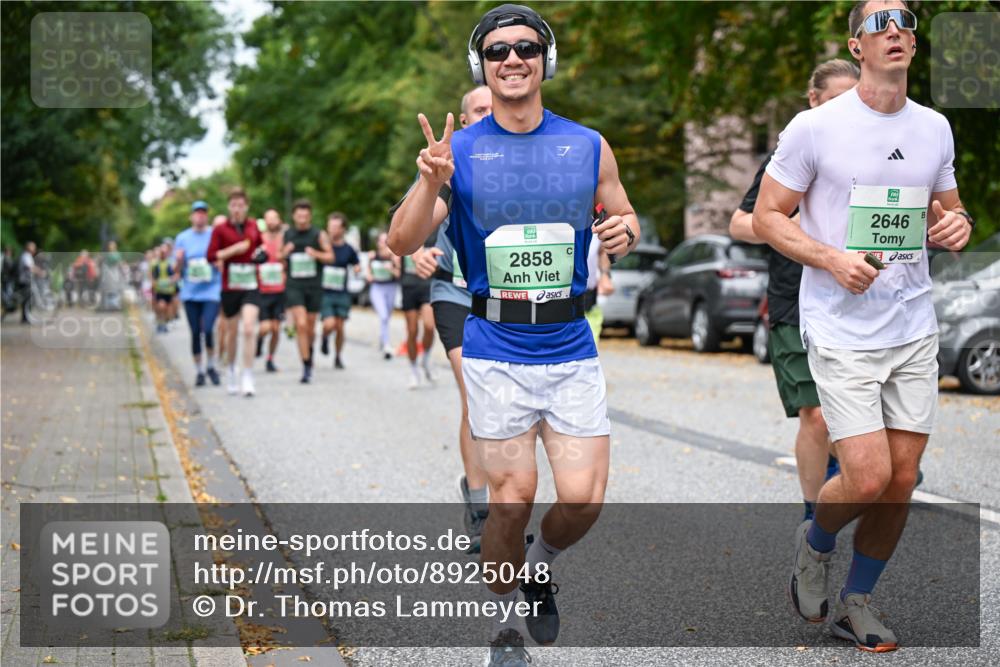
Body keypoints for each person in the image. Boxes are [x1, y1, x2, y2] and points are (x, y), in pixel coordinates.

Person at [389, 5, 639, 662]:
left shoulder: (587, 144)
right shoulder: (459, 152)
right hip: (496, 348)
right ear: (483, 67)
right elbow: (400, 239)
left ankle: (539, 563)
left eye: (526, 47)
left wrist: (624, 232)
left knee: (582, 500)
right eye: (498, 51)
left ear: (544, 61)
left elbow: (624, 216)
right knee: (512, 498)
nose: (513, 59)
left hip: (570, 345)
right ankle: (503, 629)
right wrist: (427, 183)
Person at [753, 0, 974, 652]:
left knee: (903, 479)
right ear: (856, 47)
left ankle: (858, 599)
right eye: (880, 22)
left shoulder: (934, 126)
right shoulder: (814, 128)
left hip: (912, 322)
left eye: (906, 19)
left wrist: (954, 226)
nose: (897, 30)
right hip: (842, 327)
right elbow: (769, 215)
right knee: (870, 475)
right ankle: (815, 540)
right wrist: (831, 257)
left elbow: (949, 210)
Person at [730, 59, 858, 527]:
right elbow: (740, 222)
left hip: (857, 305)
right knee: (818, 416)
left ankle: (859, 467)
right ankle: (812, 519)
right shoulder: (790, 153)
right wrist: (791, 227)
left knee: (854, 420)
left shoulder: (876, 154)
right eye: (836, 101)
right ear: (814, 101)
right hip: (793, 301)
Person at [412, 84, 493, 550]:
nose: (486, 115)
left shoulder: (520, 157)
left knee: (500, 401)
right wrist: (419, 254)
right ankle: (482, 504)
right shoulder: (445, 160)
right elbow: (407, 227)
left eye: (491, 108)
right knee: (474, 389)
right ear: (464, 121)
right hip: (454, 292)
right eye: (477, 110)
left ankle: (497, 495)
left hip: (506, 299)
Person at [207, 189, 264, 397]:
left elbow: (260, 248)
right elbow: (211, 256)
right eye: (234, 205)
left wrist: (261, 255)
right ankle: (231, 369)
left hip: (250, 283)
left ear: (246, 206)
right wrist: (234, 250)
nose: (237, 209)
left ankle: (247, 375)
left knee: (249, 328)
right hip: (230, 287)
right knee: (231, 333)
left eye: (241, 205)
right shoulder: (220, 230)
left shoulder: (253, 226)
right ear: (229, 207)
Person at [282, 199, 334, 384]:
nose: (302, 218)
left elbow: (330, 256)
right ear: (294, 216)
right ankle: (305, 366)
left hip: (314, 286)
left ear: (309, 216)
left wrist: (316, 254)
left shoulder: (319, 234)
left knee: (310, 327)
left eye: (305, 215)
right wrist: (284, 253)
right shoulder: (287, 234)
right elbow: (278, 258)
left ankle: (308, 353)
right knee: (301, 324)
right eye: (299, 214)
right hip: (294, 285)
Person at [174, 200, 223, 386]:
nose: (200, 216)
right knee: (195, 332)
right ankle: (200, 371)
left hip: (211, 291)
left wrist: (219, 263)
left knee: (208, 328)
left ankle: (211, 365)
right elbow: (176, 269)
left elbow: (222, 259)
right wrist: (178, 261)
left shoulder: (214, 235)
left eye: (203, 212)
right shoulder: (182, 238)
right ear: (191, 216)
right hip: (190, 293)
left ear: (207, 216)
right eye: (197, 213)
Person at [319, 212, 361, 369]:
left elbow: (356, 263)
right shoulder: (323, 246)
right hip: (325, 292)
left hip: (341, 292)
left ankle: (337, 356)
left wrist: (357, 269)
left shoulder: (348, 249)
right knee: (329, 324)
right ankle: (324, 336)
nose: (332, 229)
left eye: (336, 227)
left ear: (343, 229)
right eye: (330, 226)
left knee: (340, 326)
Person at [255, 208, 287, 373]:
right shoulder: (258, 239)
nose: (272, 221)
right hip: (262, 290)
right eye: (269, 218)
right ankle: (259, 340)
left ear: (279, 220)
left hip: (279, 289)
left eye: (275, 218)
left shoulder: (284, 239)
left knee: (276, 329)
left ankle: (270, 359)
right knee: (265, 327)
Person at [400, 244, 437, 388]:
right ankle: (413, 369)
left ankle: (426, 357)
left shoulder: (434, 228)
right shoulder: (407, 225)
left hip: (427, 284)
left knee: (429, 326)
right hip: (409, 285)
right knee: (412, 331)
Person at [366, 232, 400, 360]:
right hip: (377, 288)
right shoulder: (372, 256)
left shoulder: (394, 257)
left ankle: (382, 338)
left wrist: (391, 268)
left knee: (387, 317)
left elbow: (399, 275)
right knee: (384, 315)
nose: (384, 244)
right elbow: (368, 274)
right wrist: (369, 276)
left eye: (386, 241)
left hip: (391, 288)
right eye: (381, 241)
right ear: (378, 243)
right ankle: (386, 345)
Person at [150, 244, 178, 333]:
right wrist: (153, 285)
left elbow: (176, 274)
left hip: (169, 290)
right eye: (161, 252)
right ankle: (160, 323)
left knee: (168, 308)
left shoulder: (171, 263)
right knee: (161, 306)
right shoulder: (155, 263)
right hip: (159, 290)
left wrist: (171, 281)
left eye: (165, 252)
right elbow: (152, 275)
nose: (163, 254)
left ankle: (165, 323)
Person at [17, 241, 39, 323]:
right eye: (33, 247)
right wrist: (39, 272)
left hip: (27, 280)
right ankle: (25, 318)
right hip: (25, 281)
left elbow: (32, 266)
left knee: (27, 300)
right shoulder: (26, 256)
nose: (34, 249)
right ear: (29, 247)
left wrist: (38, 270)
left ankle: (26, 317)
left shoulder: (28, 256)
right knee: (26, 300)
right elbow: (29, 267)